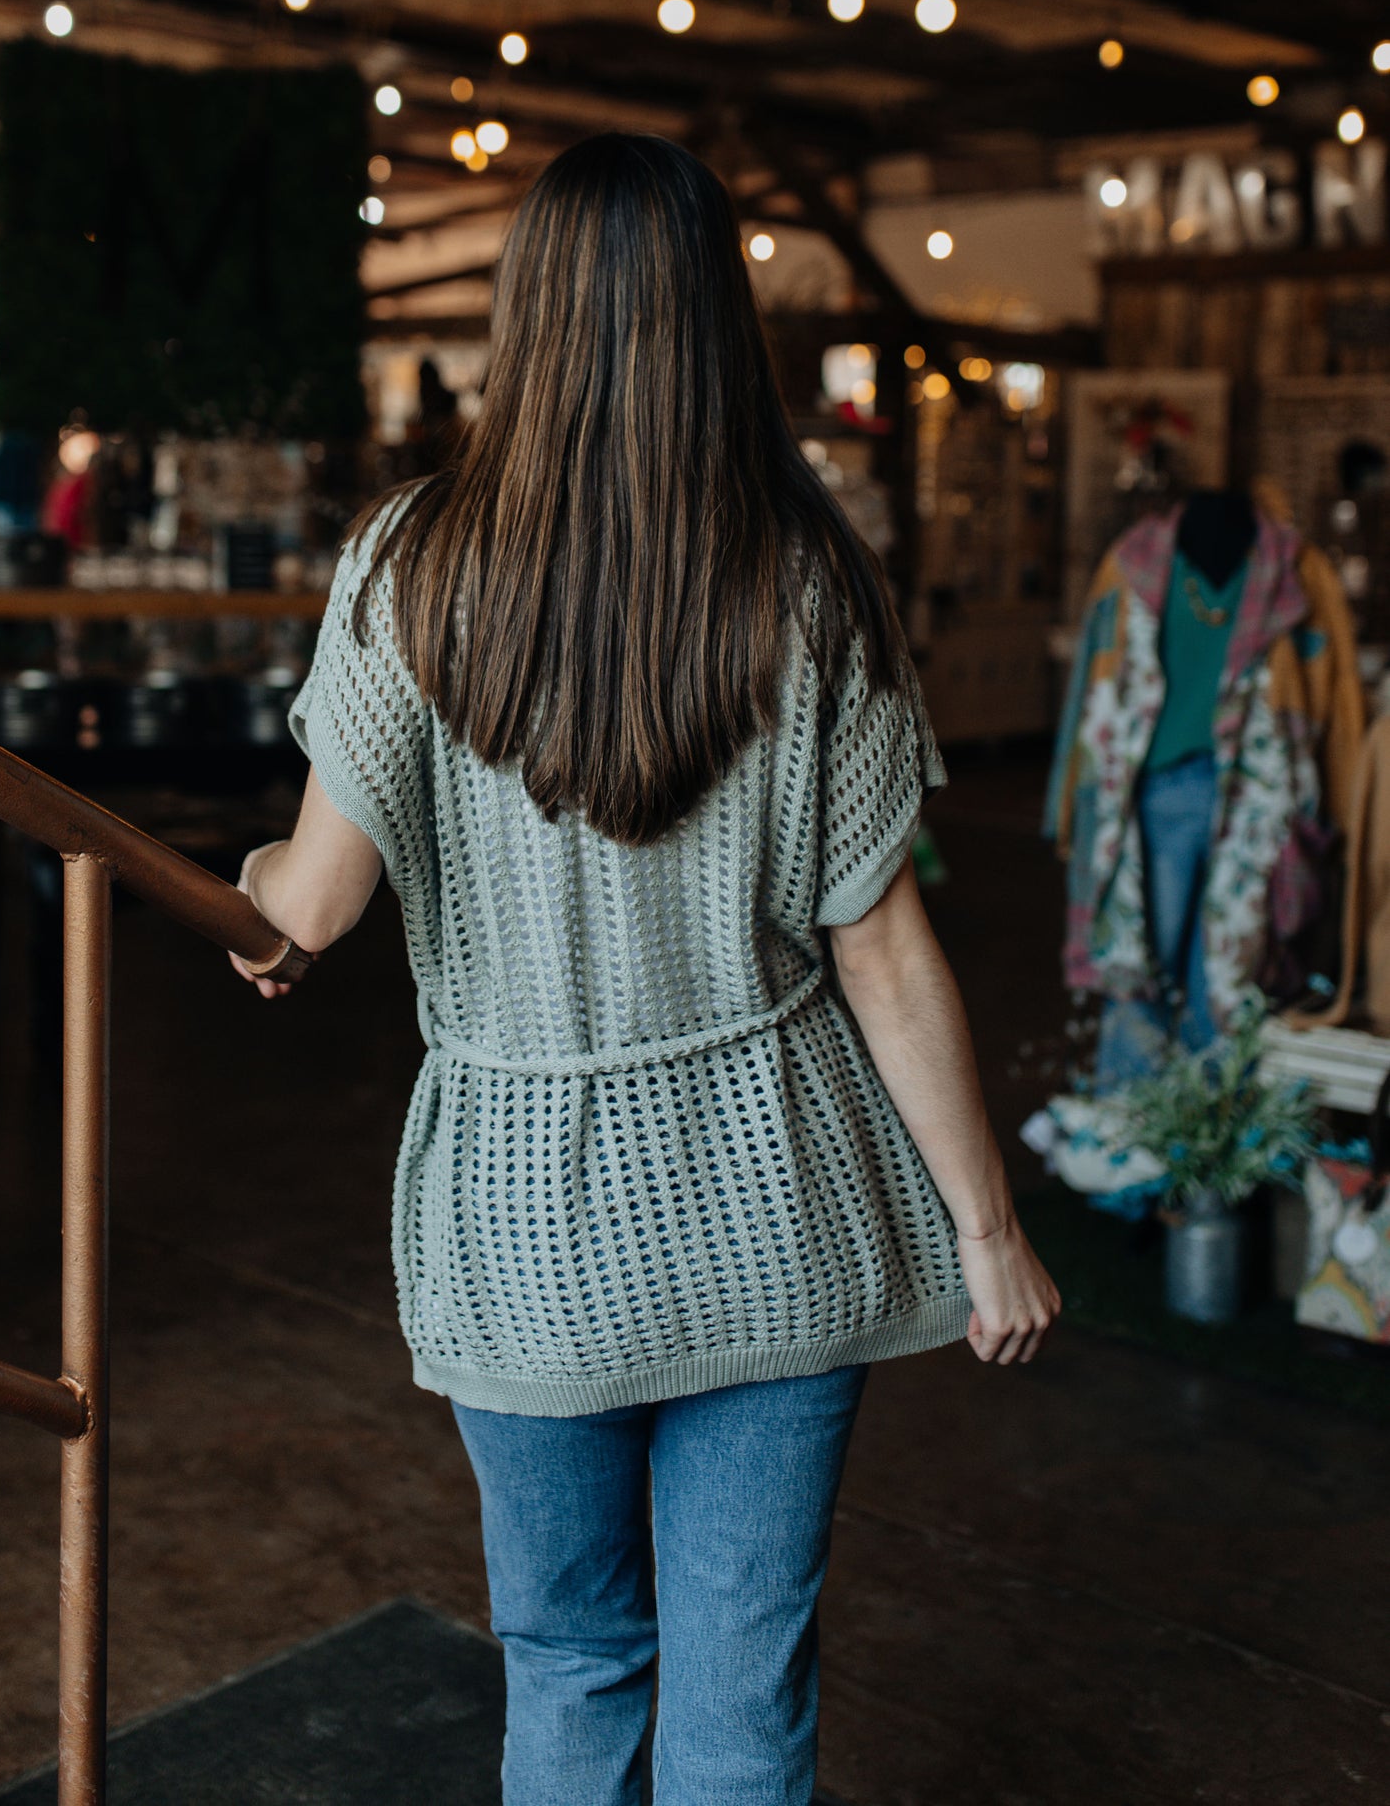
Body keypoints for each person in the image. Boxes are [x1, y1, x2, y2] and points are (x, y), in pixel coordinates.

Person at [230, 134, 1058, 1806]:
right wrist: (988, 1233)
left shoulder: (412, 565)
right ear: (713, 314)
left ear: (524, 311)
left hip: (523, 1230)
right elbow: (879, 939)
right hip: (775, 1208)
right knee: (745, 1697)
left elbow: (305, 912)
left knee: (569, 1659)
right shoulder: (806, 576)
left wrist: (254, 876)